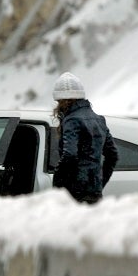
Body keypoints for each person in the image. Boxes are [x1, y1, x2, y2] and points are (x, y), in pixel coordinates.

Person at [51, 72, 118, 204]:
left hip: (74, 193)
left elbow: (70, 155)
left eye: (58, 102)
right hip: (94, 193)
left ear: (63, 101)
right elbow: (113, 155)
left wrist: (57, 181)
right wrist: (98, 182)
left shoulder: (72, 120)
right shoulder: (99, 120)